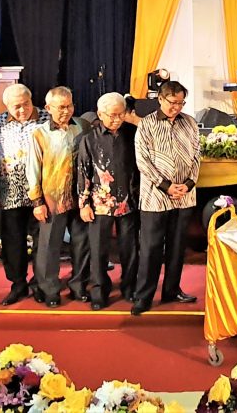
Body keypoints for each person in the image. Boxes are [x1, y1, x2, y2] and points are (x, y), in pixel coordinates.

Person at [131, 81, 200, 315]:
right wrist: (166, 186)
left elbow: (197, 156)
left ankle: (171, 290)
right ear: (160, 99)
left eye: (181, 103)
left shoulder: (190, 123)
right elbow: (143, 161)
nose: (177, 107)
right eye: (173, 102)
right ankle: (143, 296)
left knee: (177, 246)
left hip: (184, 196)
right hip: (155, 197)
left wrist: (188, 184)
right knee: (150, 248)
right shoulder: (147, 124)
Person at [26, 86, 91, 308]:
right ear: (48, 108)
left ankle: (79, 285)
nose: (66, 111)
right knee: (49, 246)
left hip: (80, 198)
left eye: (70, 106)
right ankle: (49, 289)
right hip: (52, 199)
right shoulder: (39, 134)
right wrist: (37, 202)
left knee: (81, 244)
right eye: (61, 107)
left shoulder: (82, 127)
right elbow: (33, 169)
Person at [78, 93, 140, 310]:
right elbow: (84, 172)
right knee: (98, 250)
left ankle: (130, 287)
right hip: (100, 202)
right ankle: (99, 291)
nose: (117, 119)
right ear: (100, 114)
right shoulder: (89, 139)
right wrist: (84, 203)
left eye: (121, 114)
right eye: (112, 115)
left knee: (130, 248)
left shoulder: (133, 133)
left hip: (129, 201)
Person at [0, 83, 49, 306]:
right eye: (16, 106)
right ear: (6, 106)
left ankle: (40, 283)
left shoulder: (47, 118)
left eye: (26, 104)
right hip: (10, 191)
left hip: (42, 191)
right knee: (13, 241)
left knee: (42, 241)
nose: (22, 110)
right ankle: (18, 283)